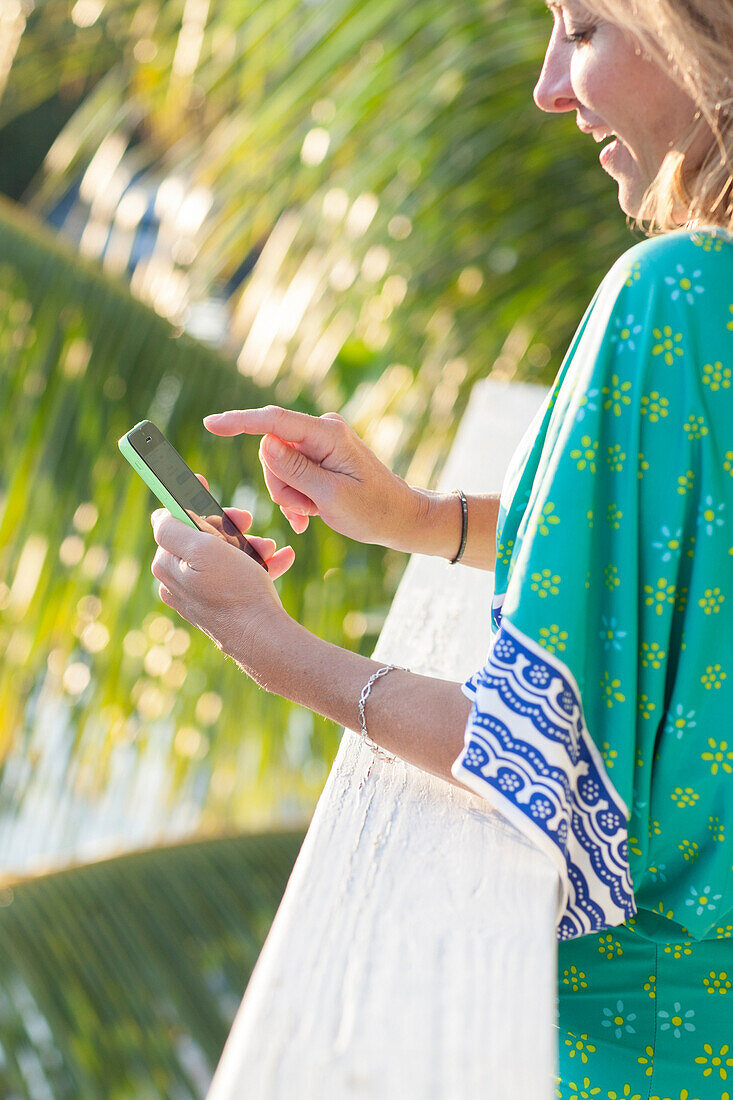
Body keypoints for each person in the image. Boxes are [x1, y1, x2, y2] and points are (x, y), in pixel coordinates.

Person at [150, 0, 733, 1094]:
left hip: (634, 1053)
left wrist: (270, 644)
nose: (548, 85)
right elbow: (682, 563)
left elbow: (536, 760)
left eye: (587, 29)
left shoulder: (677, 294)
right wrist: (417, 516)